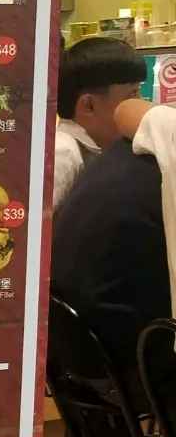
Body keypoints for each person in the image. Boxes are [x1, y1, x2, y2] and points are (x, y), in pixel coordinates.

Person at [50, 96, 172, 405]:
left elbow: (127, 109)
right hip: (128, 373)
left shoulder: (136, 147)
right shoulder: (163, 156)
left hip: (78, 358)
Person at [54, 37, 147, 211]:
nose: (141, 102)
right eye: (133, 94)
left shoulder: (99, 150)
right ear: (89, 106)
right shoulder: (63, 152)